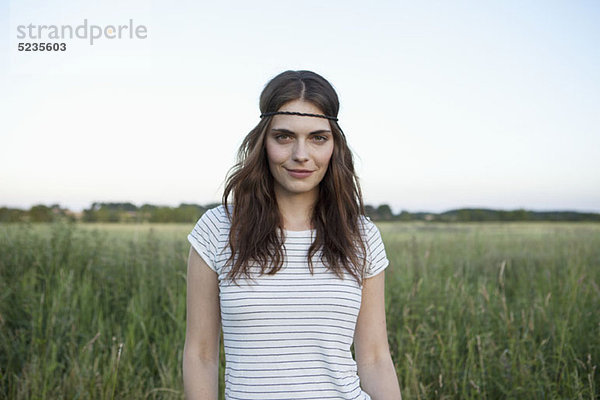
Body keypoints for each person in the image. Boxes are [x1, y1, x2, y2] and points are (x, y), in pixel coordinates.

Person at [183, 70, 402, 399]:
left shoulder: (362, 235)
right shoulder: (218, 229)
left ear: (334, 146)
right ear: (263, 143)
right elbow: (200, 355)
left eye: (318, 137)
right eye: (284, 137)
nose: (301, 154)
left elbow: (374, 359)